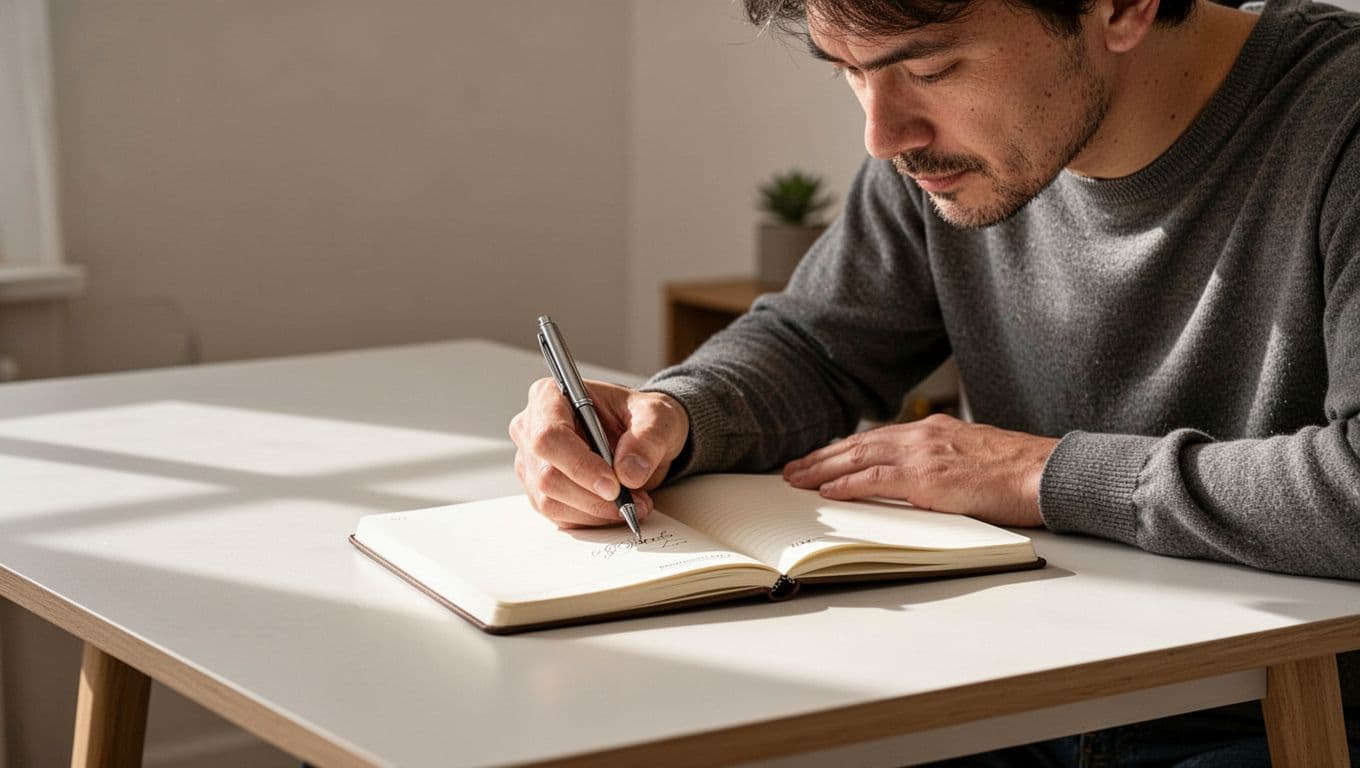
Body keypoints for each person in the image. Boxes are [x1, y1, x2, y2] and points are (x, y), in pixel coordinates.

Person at [510, 0, 1360, 762]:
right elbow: (820, 344)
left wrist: (1036, 473)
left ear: (1124, 8)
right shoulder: (949, 156)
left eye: (929, 69)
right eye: (850, 72)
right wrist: (670, 414)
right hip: (1012, 691)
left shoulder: (1340, 122)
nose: (883, 136)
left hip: (1285, 712)